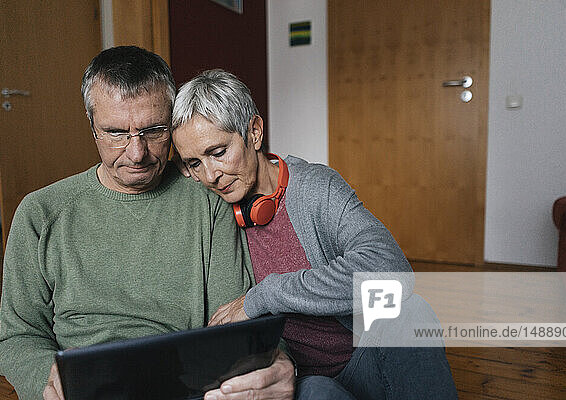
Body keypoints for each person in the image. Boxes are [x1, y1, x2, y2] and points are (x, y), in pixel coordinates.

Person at [0, 47, 295, 400]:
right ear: (92, 127)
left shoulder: (209, 201)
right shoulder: (41, 212)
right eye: (116, 133)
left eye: (153, 131)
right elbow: (18, 337)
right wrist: (49, 382)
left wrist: (276, 362)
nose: (137, 153)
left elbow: (236, 320)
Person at [171, 69, 458, 399]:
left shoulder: (316, 188)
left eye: (218, 152)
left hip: (364, 360)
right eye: (194, 163)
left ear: (253, 132)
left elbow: (390, 269)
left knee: (411, 310)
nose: (211, 176)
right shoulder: (210, 209)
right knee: (318, 392)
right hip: (300, 381)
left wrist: (266, 294)